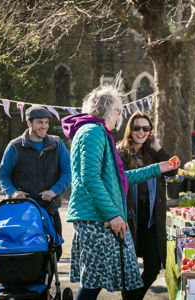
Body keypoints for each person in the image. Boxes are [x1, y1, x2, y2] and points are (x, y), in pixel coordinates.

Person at [61, 84, 179, 300]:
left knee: (103, 279)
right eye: (118, 110)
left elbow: (120, 178)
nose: (119, 115)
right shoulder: (93, 132)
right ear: (108, 110)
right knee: (94, 282)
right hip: (96, 219)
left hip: (98, 218)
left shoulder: (96, 131)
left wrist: (157, 168)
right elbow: (90, 178)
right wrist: (112, 214)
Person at [117, 111, 177, 300]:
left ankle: (134, 298)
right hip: (129, 217)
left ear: (150, 131)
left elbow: (172, 174)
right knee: (128, 268)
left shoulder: (153, 152)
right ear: (130, 130)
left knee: (153, 266)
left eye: (145, 128)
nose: (141, 132)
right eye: (136, 128)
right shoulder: (120, 152)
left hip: (151, 218)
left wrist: (158, 146)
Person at [0, 105, 72, 258]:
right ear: (29, 123)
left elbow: (68, 172)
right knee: (28, 252)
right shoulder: (15, 146)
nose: (44, 126)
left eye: (46, 122)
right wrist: (13, 192)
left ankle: (47, 280)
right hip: (23, 210)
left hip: (50, 208)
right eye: (40, 122)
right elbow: (3, 175)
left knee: (55, 251)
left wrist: (54, 191)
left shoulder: (57, 144)